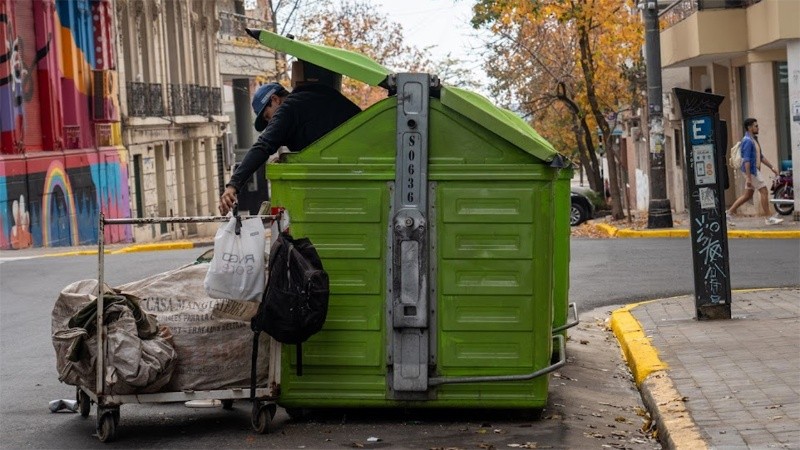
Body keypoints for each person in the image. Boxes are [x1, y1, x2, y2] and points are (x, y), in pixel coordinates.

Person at [218, 82, 361, 215]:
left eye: (268, 117)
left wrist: (233, 185)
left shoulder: (288, 108)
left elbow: (263, 146)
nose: (271, 123)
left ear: (275, 99)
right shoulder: (309, 99)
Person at [726, 118, 783, 225]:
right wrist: (748, 177)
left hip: (752, 171)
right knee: (764, 191)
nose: (758, 128)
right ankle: (768, 218)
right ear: (749, 127)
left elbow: (760, 157)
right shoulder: (747, 141)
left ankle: (728, 213)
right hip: (752, 171)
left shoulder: (753, 140)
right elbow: (746, 160)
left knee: (747, 195)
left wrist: (772, 167)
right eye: (755, 126)